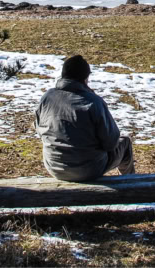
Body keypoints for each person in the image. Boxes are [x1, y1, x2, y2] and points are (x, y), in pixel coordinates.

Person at [34, 54, 135, 182]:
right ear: (85, 78)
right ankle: (130, 182)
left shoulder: (47, 97)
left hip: (54, 167)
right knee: (124, 143)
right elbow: (111, 142)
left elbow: (39, 129)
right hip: (89, 169)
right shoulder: (93, 102)